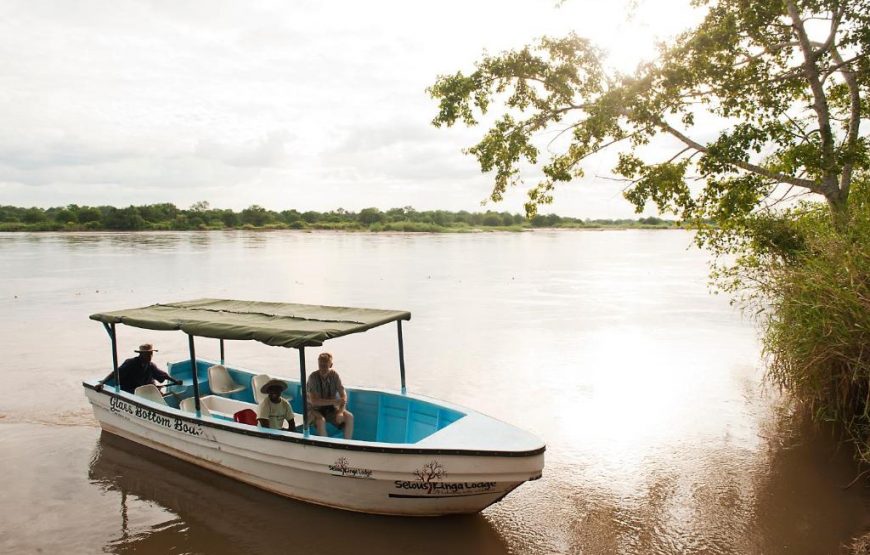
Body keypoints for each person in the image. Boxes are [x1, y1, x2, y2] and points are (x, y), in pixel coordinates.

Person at [95, 343, 181, 394]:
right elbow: (115, 373)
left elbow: (163, 375)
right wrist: (102, 383)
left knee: (158, 393)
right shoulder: (130, 363)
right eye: (147, 354)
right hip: (132, 391)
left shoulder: (150, 365)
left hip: (147, 390)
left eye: (151, 354)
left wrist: (175, 381)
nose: (150, 356)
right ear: (141, 354)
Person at [306, 352, 354, 439]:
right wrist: (335, 401)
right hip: (314, 410)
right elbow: (314, 401)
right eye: (320, 365)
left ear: (331, 365)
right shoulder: (313, 377)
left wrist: (340, 412)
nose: (322, 368)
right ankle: (325, 444)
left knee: (349, 417)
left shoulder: (334, 375)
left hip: (330, 409)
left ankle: (347, 443)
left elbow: (343, 396)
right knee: (321, 421)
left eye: (325, 365)